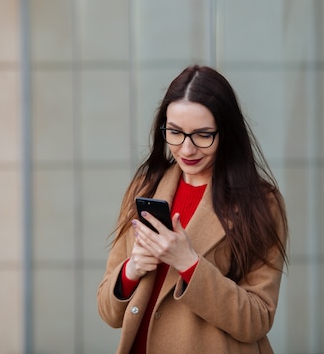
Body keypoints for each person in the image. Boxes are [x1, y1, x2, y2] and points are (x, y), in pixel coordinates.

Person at [97, 65, 288, 354]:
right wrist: (131, 270)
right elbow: (108, 312)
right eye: (175, 132)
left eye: (202, 135)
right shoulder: (145, 187)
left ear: (227, 133)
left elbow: (257, 320)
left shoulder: (260, 202)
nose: (186, 149)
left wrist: (189, 264)